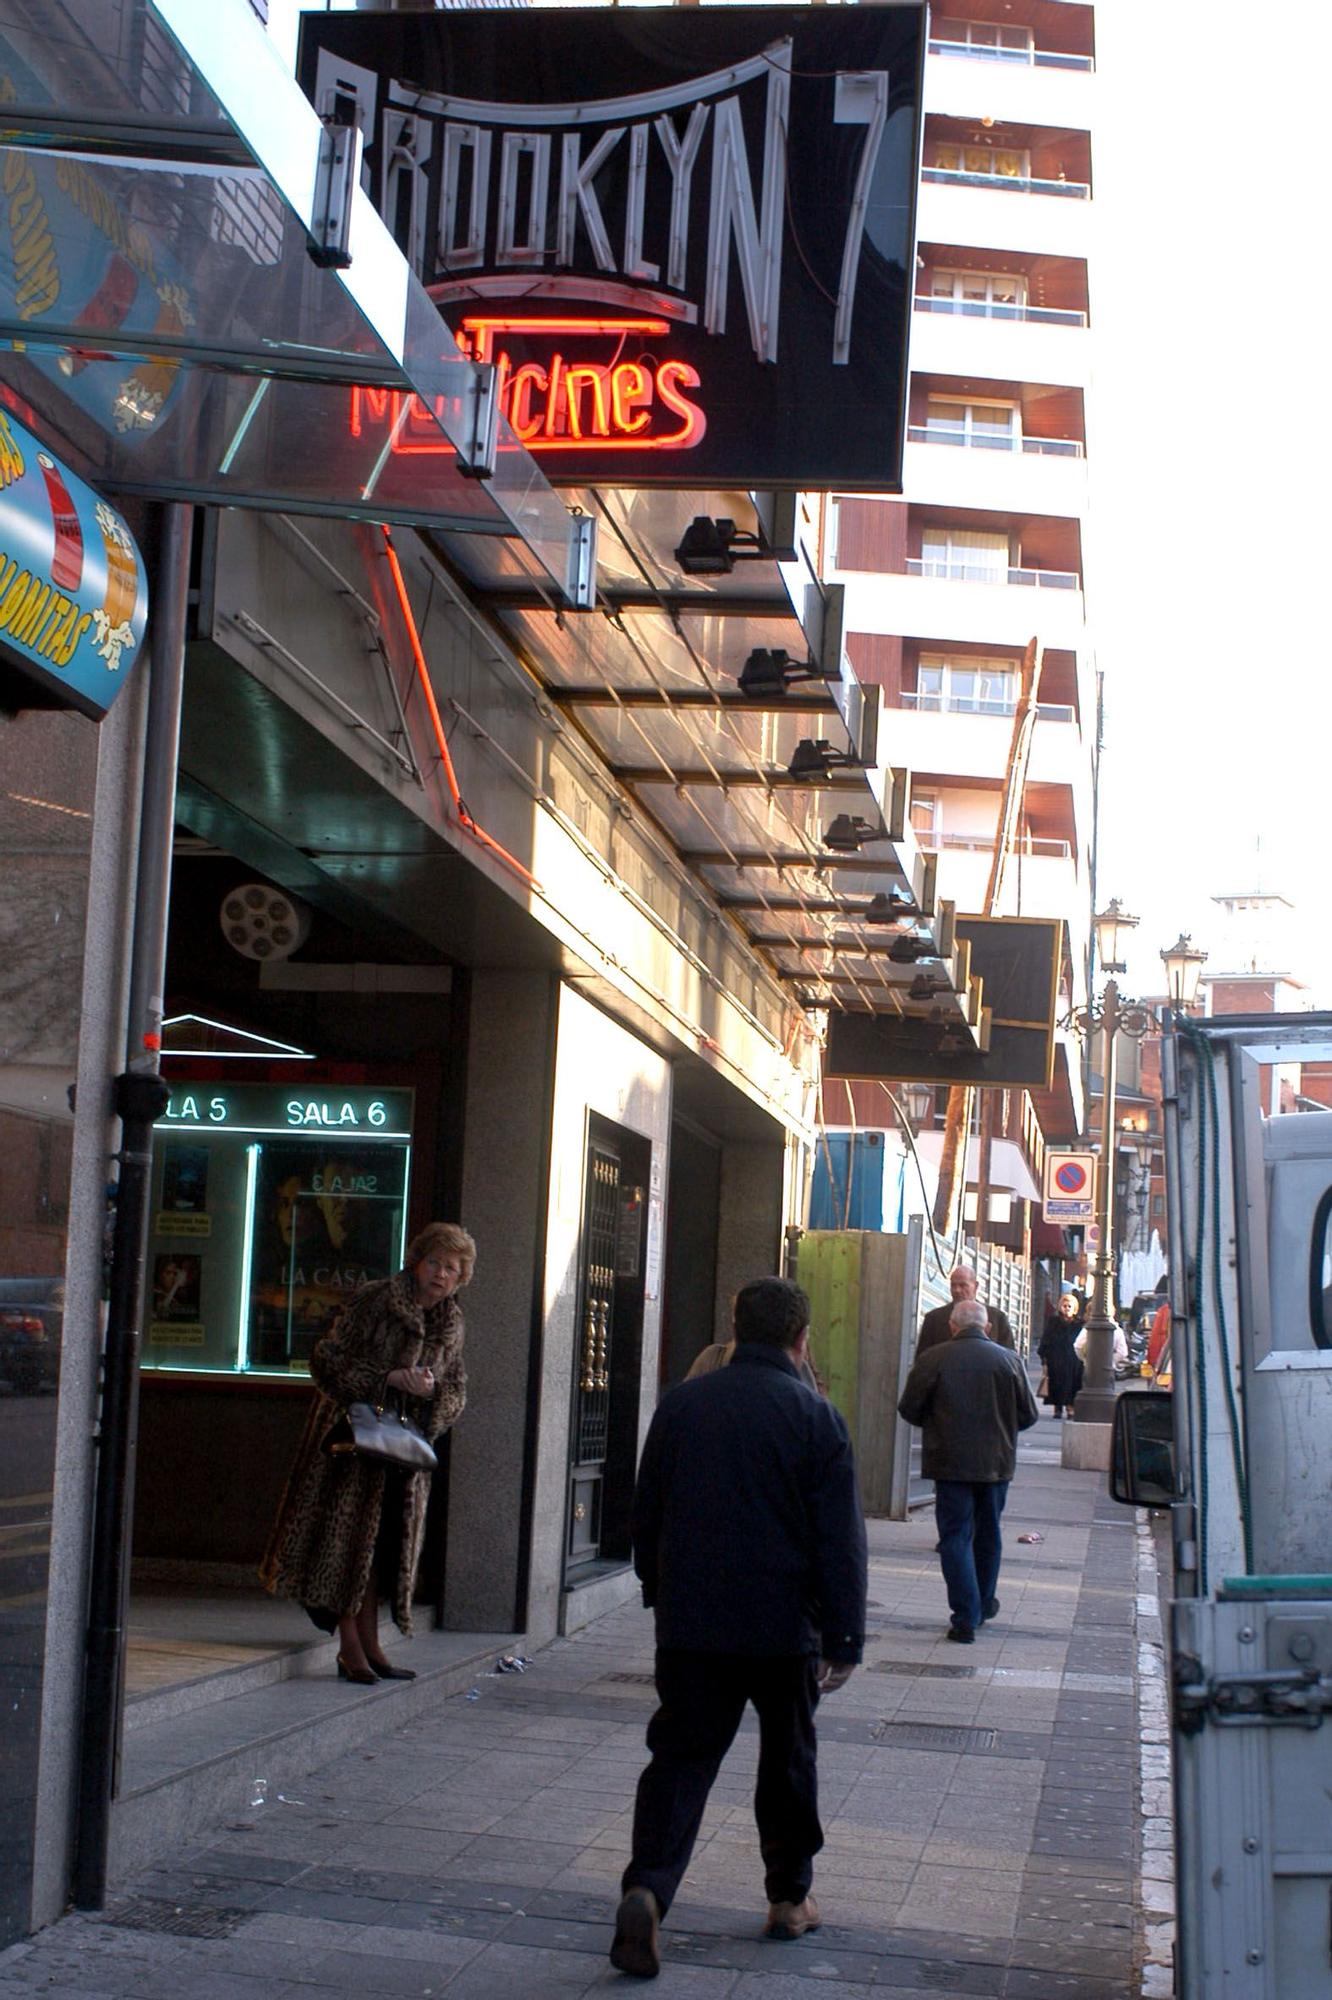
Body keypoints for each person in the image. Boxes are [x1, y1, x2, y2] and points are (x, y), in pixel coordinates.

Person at [610, 1277, 867, 1979]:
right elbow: (839, 1539)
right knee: (787, 1762)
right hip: (785, 1627)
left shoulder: (684, 1405)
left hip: (693, 1623)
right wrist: (844, 1636)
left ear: (735, 1327)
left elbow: (647, 1509)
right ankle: (789, 1899)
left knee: (680, 1760)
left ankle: (647, 1890)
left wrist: (657, 1590)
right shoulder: (816, 1417)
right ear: (801, 1338)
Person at [260, 1222, 473, 1683]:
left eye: (451, 1268)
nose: (440, 1274)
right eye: (434, 1262)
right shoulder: (377, 1299)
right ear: (416, 1262)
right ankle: (350, 1648)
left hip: (403, 1452)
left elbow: (457, 1388)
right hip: (352, 1449)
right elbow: (327, 1358)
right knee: (346, 1548)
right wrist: (389, 1378)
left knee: (383, 1549)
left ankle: (373, 1643)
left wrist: (432, 1393)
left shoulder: (450, 1324)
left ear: (460, 1278)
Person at [897, 1297, 1038, 1644]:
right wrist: (1003, 1430)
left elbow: (909, 1408)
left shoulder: (933, 1359)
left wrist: (936, 1426)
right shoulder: (1010, 1361)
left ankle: (965, 1614)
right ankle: (984, 1603)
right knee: (989, 1534)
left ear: (952, 1326)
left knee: (955, 1537)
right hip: (995, 1464)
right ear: (987, 1327)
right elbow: (1029, 1414)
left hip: (949, 1463)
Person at [916, 1262, 1014, 1356]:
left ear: (975, 1286)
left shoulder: (997, 1319)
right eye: (953, 1285)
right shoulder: (934, 1319)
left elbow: (1010, 1358)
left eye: (963, 1285)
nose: (957, 1290)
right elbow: (922, 1360)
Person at [1038, 1291, 1084, 1417]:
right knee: (1057, 1383)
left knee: (1073, 1384)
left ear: (1074, 1308)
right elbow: (1045, 1341)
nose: (1067, 1308)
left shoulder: (1079, 1324)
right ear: (1060, 1307)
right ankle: (1057, 1408)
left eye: (1069, 1306)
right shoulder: (1053, 1322)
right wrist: (1044, 1361)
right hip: (1056, 1359)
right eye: (1064, 1306)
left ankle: (1070, 1407)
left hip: (1074, 1360)